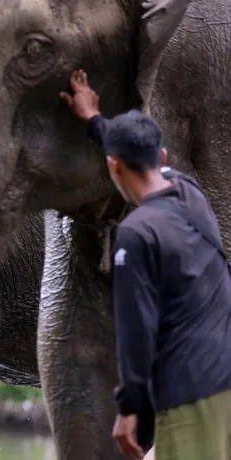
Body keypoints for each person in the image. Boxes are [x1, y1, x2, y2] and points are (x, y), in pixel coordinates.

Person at [60, 69, 231, 460]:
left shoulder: (137, 233)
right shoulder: (191, 194)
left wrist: (128, 410)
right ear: (164, 158)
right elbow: (136, 159)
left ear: (113, 166)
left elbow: (136, 331)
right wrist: (94, 120)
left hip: (194, 393)